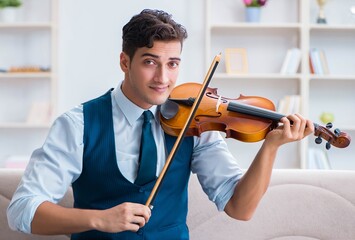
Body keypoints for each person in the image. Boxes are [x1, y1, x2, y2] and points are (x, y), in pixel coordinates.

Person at [7, 9, 314, 240]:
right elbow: (23, 209)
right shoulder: (77, 125)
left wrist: (271, 146)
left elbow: (240, 208)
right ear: (125, 62)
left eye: (173, 64)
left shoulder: (195, 121)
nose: (163, 79)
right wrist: (98, 219)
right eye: (150, 62)